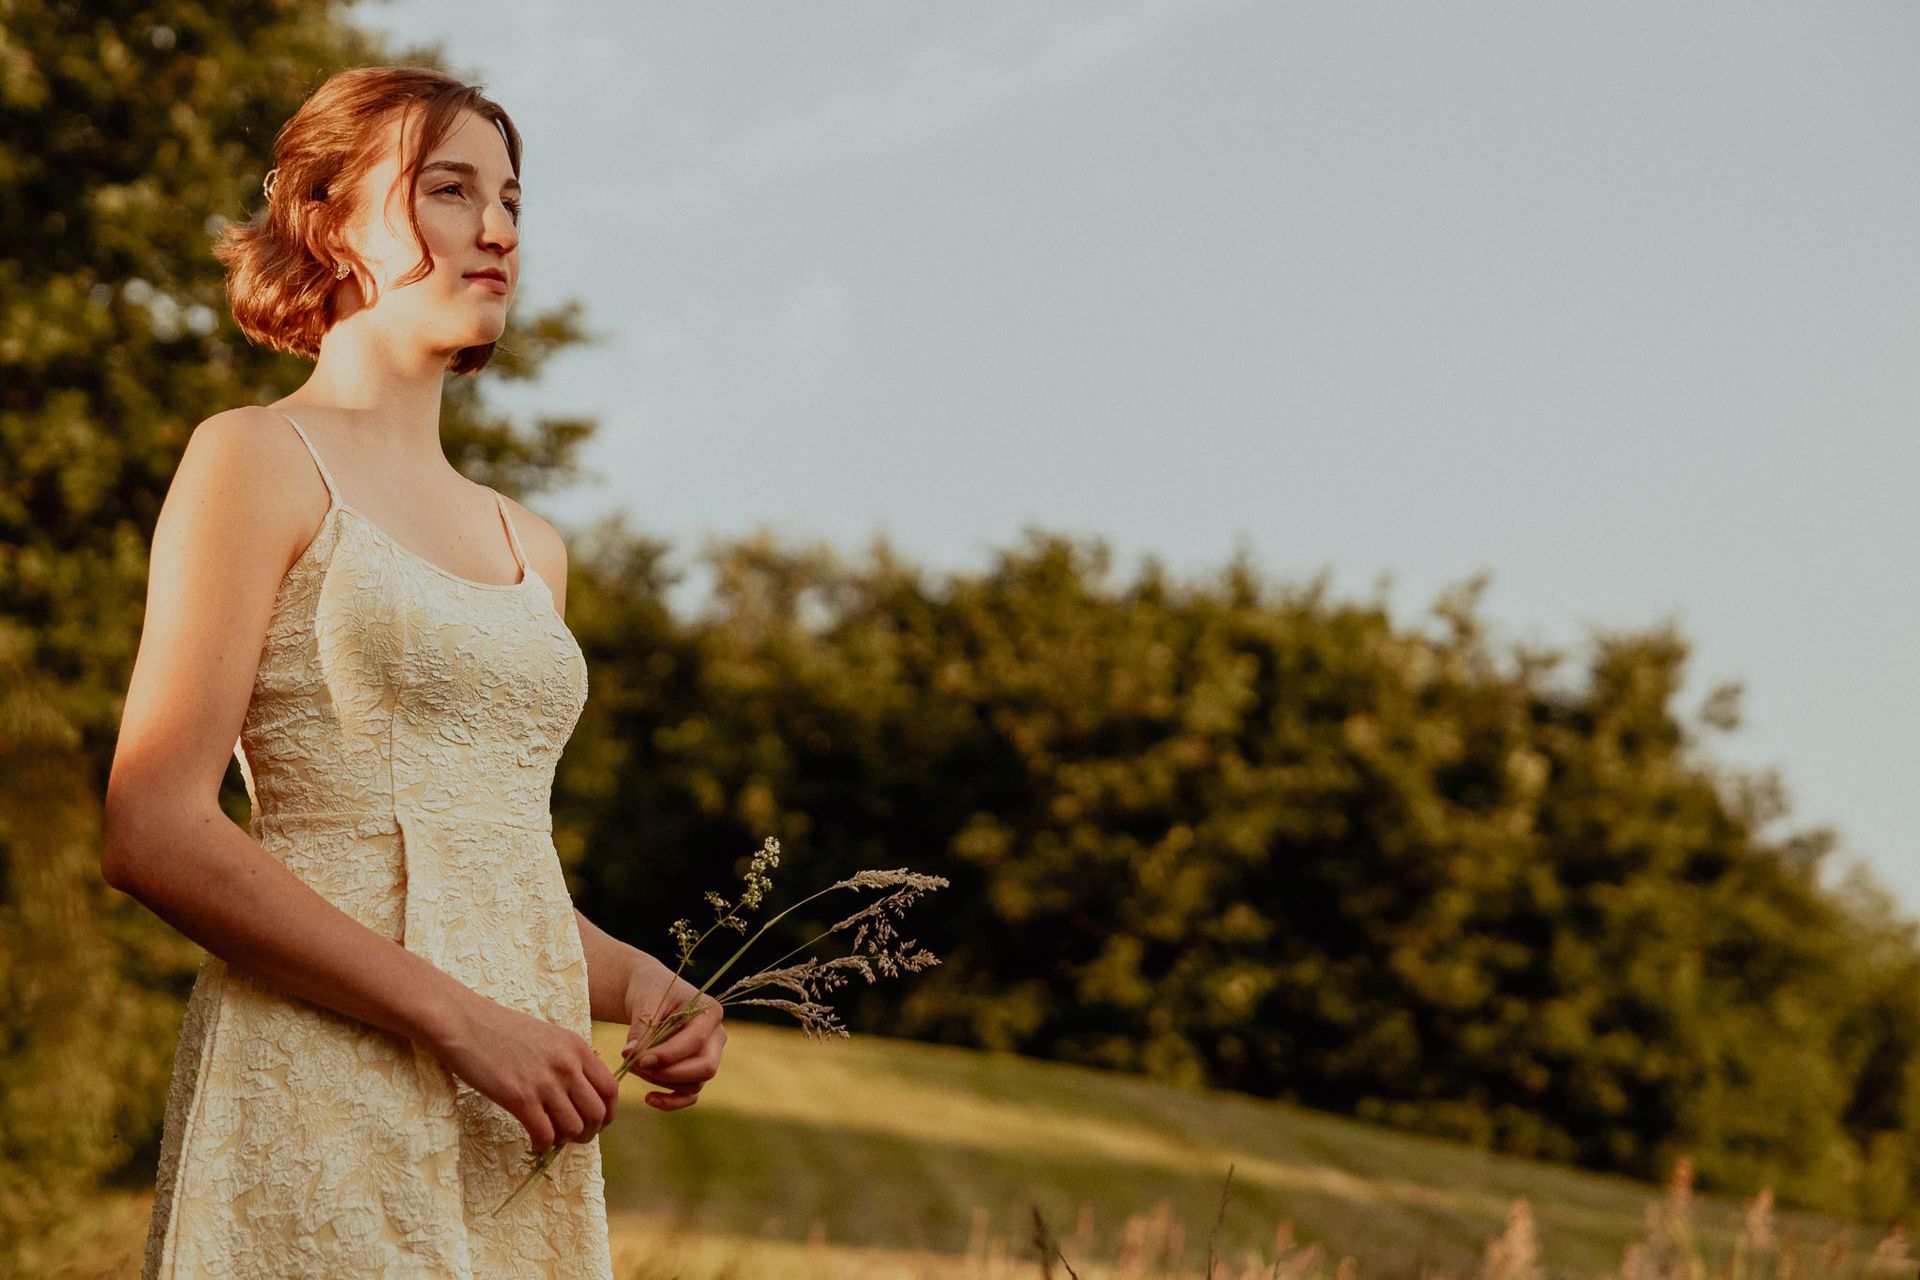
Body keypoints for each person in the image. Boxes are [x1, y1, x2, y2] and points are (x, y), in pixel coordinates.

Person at [100, 65, 725, 1278]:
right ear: (327, 218)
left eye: (512, 199)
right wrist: (463, 1021)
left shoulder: (530, 547)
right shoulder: (253, 458)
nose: (496, 228)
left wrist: (644, 979)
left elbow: (481, 865)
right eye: (449, 190)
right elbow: (153, 827)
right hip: (318, 1083)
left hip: (512, 1119)